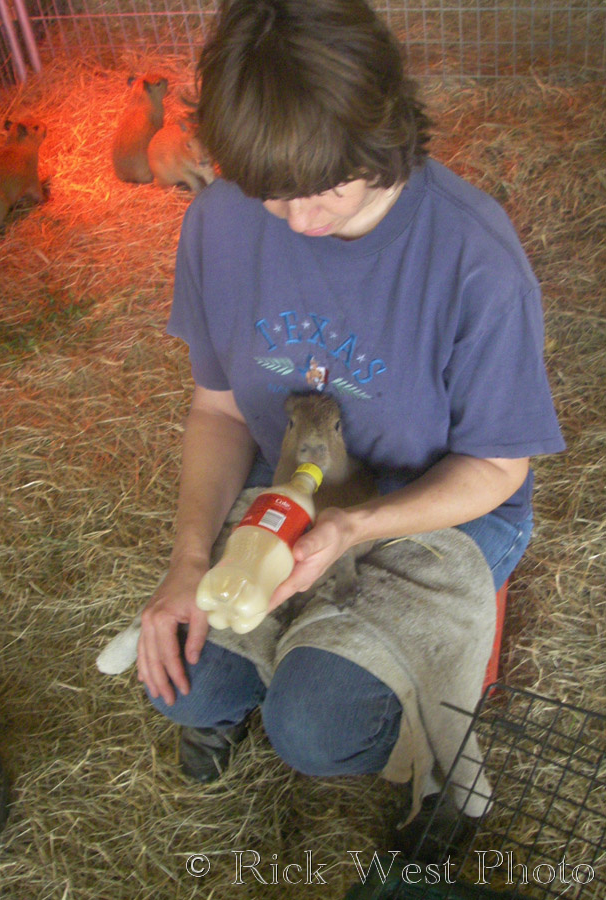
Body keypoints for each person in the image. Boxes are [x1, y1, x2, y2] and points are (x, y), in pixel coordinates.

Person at [136, 0, 564, 856]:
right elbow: (219, 408)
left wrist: (353, 526)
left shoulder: (473, 257)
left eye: (327, 185)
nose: (300, 221)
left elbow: (495, 467)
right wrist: (186, 563)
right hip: (294, 480)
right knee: (180, 680)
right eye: (272, 192)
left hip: (436, 508)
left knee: (314, 729)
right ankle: (258, 680)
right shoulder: (220, 218)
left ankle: (419, 751)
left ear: (381, 129)